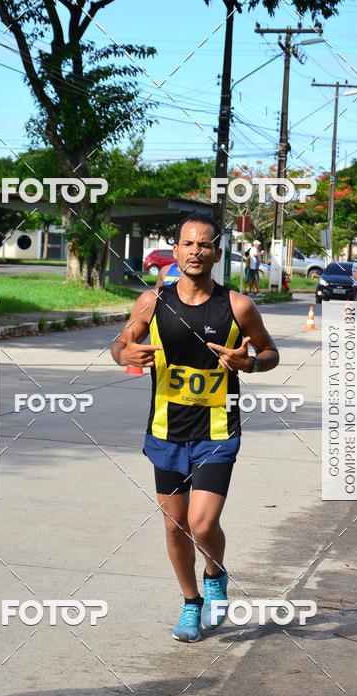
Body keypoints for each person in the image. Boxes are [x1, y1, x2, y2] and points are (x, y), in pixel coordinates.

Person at [111, 214, 279, 643]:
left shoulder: (237, 306)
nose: (195, 251)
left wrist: (252, 362)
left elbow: (269, 352)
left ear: (216, 254)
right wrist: (123, 353)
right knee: (174, 526)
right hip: (166, 430)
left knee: (203, 526)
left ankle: (215, 574)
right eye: (188, 244)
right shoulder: (152, 302)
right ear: (177, 250)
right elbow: (120, 343)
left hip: (217, 430)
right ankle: (191, 604)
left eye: (204, 245)